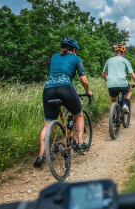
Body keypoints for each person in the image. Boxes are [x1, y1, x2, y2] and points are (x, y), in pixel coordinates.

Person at [34, 36, 94, 167]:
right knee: (78, 115)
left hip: (48, 90)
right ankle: (79, 143)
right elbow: (84, 80)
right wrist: (88, 91)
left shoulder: (54, 57)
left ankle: (40, 156)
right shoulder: (76, 58)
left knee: (47, 125)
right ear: (74, 49)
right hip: (66, 88)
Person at [102, 45, 135, 114]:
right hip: (122, 84)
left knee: (113, 101)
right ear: (124, 53)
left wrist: (108, 81)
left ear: (116, 52)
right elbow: (133, 76)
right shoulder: (125, 61)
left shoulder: (109, 60)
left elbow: (103, 74)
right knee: (130, 89)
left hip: (111, 84)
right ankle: (125, 104)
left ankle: (113, 119)